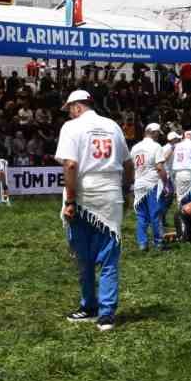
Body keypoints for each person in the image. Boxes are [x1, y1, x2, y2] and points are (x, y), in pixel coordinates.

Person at [55, 89, 131, 331]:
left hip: (84, 194)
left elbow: (70, 164)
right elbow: (128, 164)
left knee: (83, 255)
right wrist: (126, 191)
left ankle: (89, 306)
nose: (69, 113)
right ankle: (106, 314)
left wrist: (69, 201)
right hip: (111, 193)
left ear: (77, 107)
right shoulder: (113, 126)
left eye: (69, 109)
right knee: (109, 256)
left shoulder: (71, 127)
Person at [129, 123, 167, 253]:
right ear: (154, 132)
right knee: (155, 214)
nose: (159, 136)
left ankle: (142, 243)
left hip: (139, 183)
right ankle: (159, 243)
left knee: (141, 216)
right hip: (152, 183)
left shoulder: (135, 147)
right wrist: (166, 184)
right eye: (158, 133)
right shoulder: (156, 147)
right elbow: (160, 168)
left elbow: (131, 167)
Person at [169, 128, 191, 211]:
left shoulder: (177, 145)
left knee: (181, 197)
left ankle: (181, 216)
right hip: (190, 173)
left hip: (178, 173)